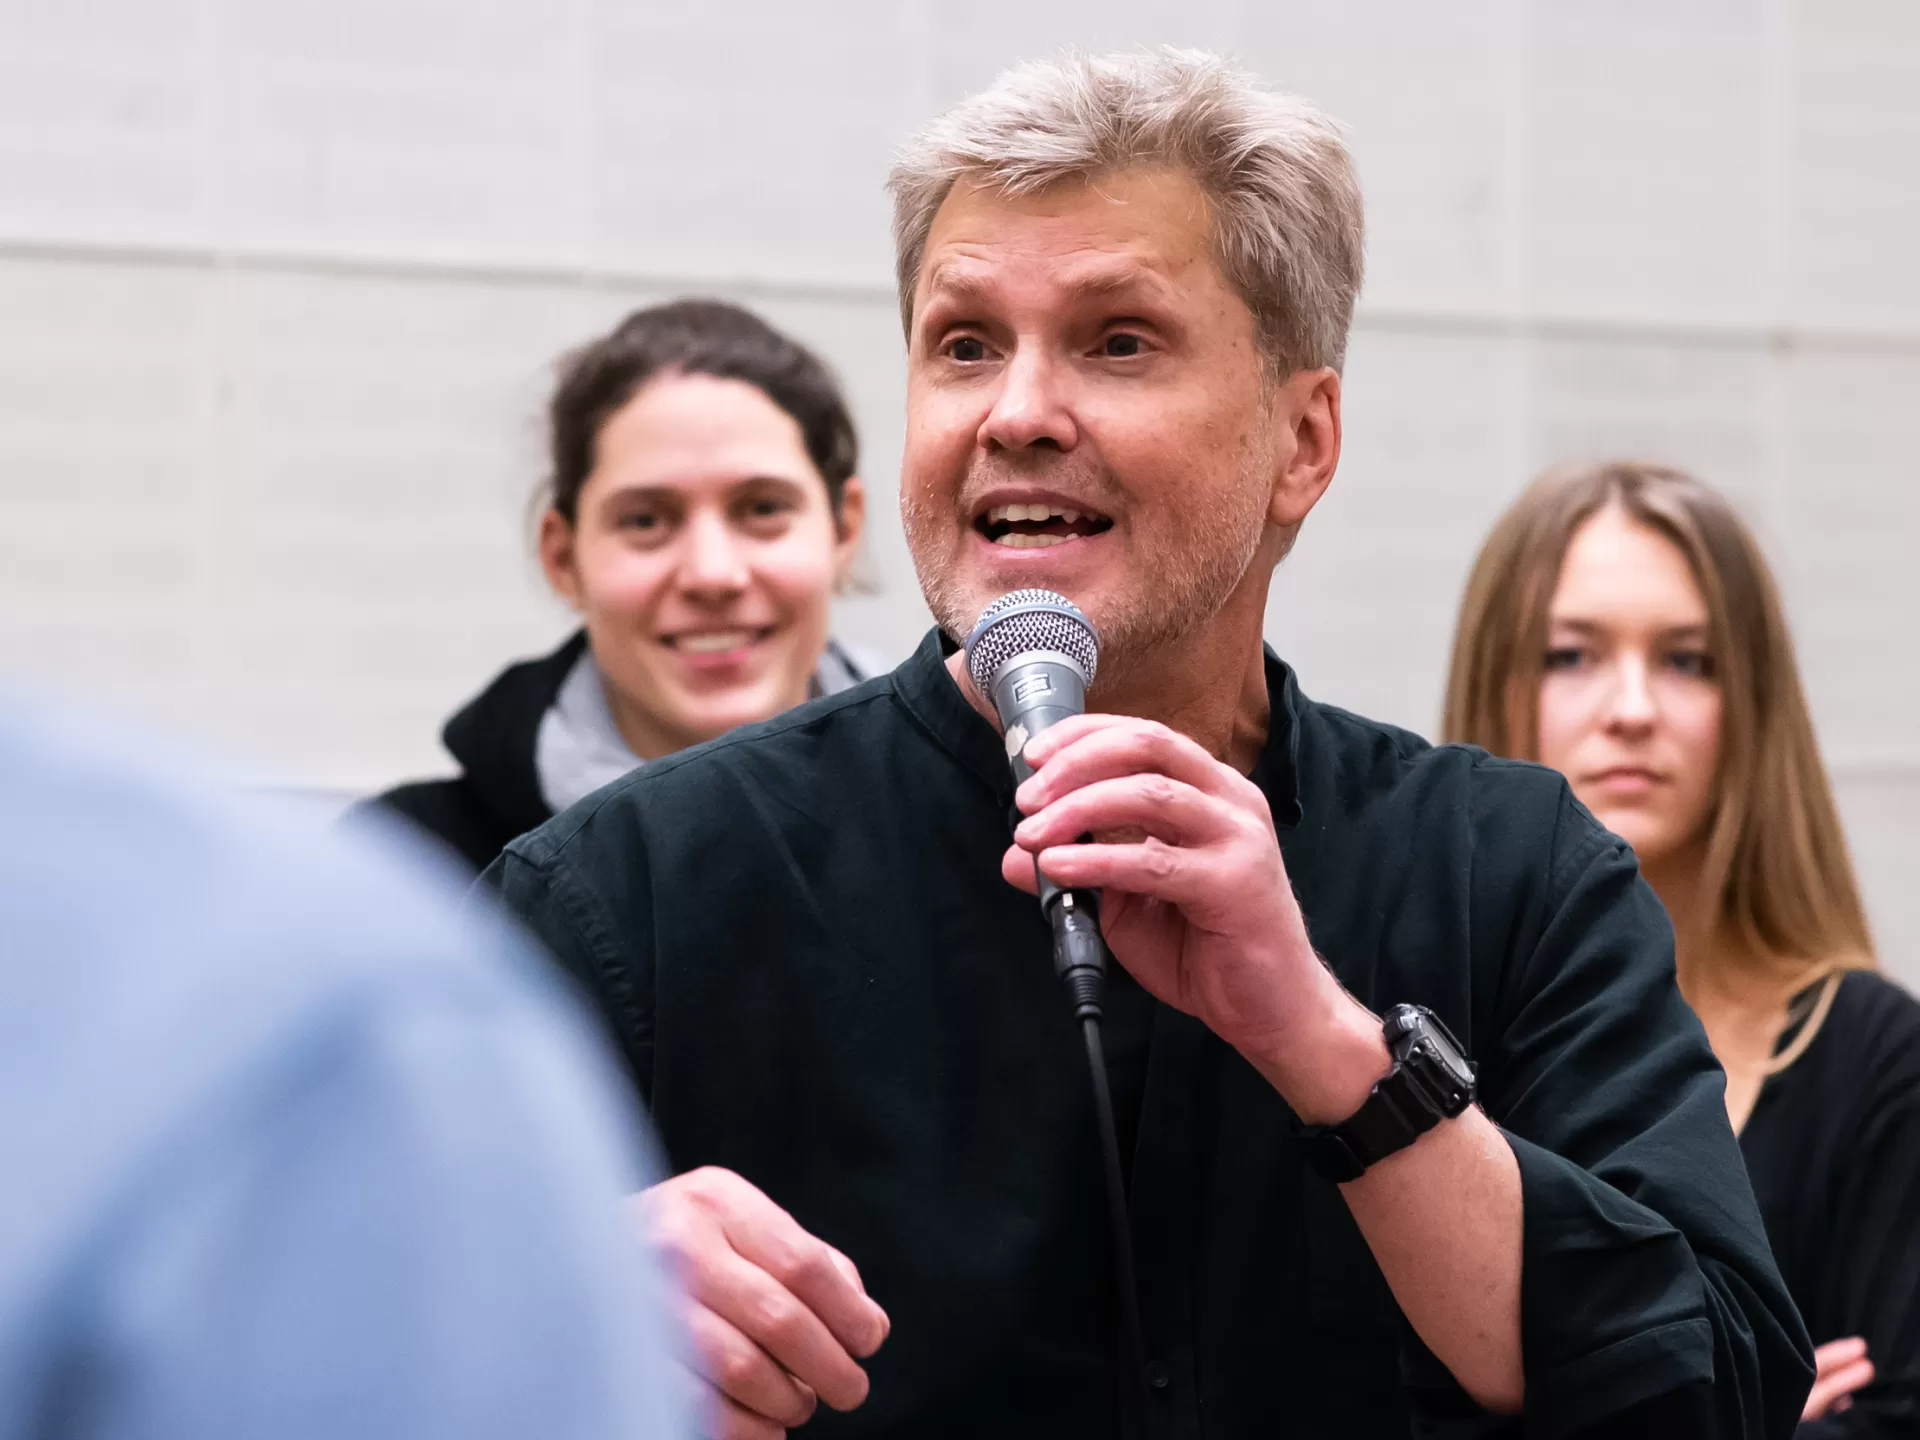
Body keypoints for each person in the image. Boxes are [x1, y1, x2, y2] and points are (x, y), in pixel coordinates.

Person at [484, 50, 1811, 1438]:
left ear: (1303, 440)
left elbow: (1712, 1394)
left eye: (1118, 340)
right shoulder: (633, 893)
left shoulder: (1519, 876)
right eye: (965, 344)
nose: (1016, 413)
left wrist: (1325, 1044)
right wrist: (554, 1306)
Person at [0, 691, 692, 1439]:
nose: (714, 573)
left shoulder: (360, 987)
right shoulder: (396, 904)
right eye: (646, 558)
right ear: (564, 570)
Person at [1443, 460, 1920, 1438]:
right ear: (1498, 681)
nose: (1632, 708)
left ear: (1751, 708)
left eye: (1687, 661)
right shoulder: (1401, 1041)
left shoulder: (1872, 1056)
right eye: (1571, 655)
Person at [366, 299, 869, 873]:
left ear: (844, 528)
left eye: (762, 508)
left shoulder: (978, 820)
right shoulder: (409, 873)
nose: (712, 574)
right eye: (645, 521)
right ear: (562, 557)